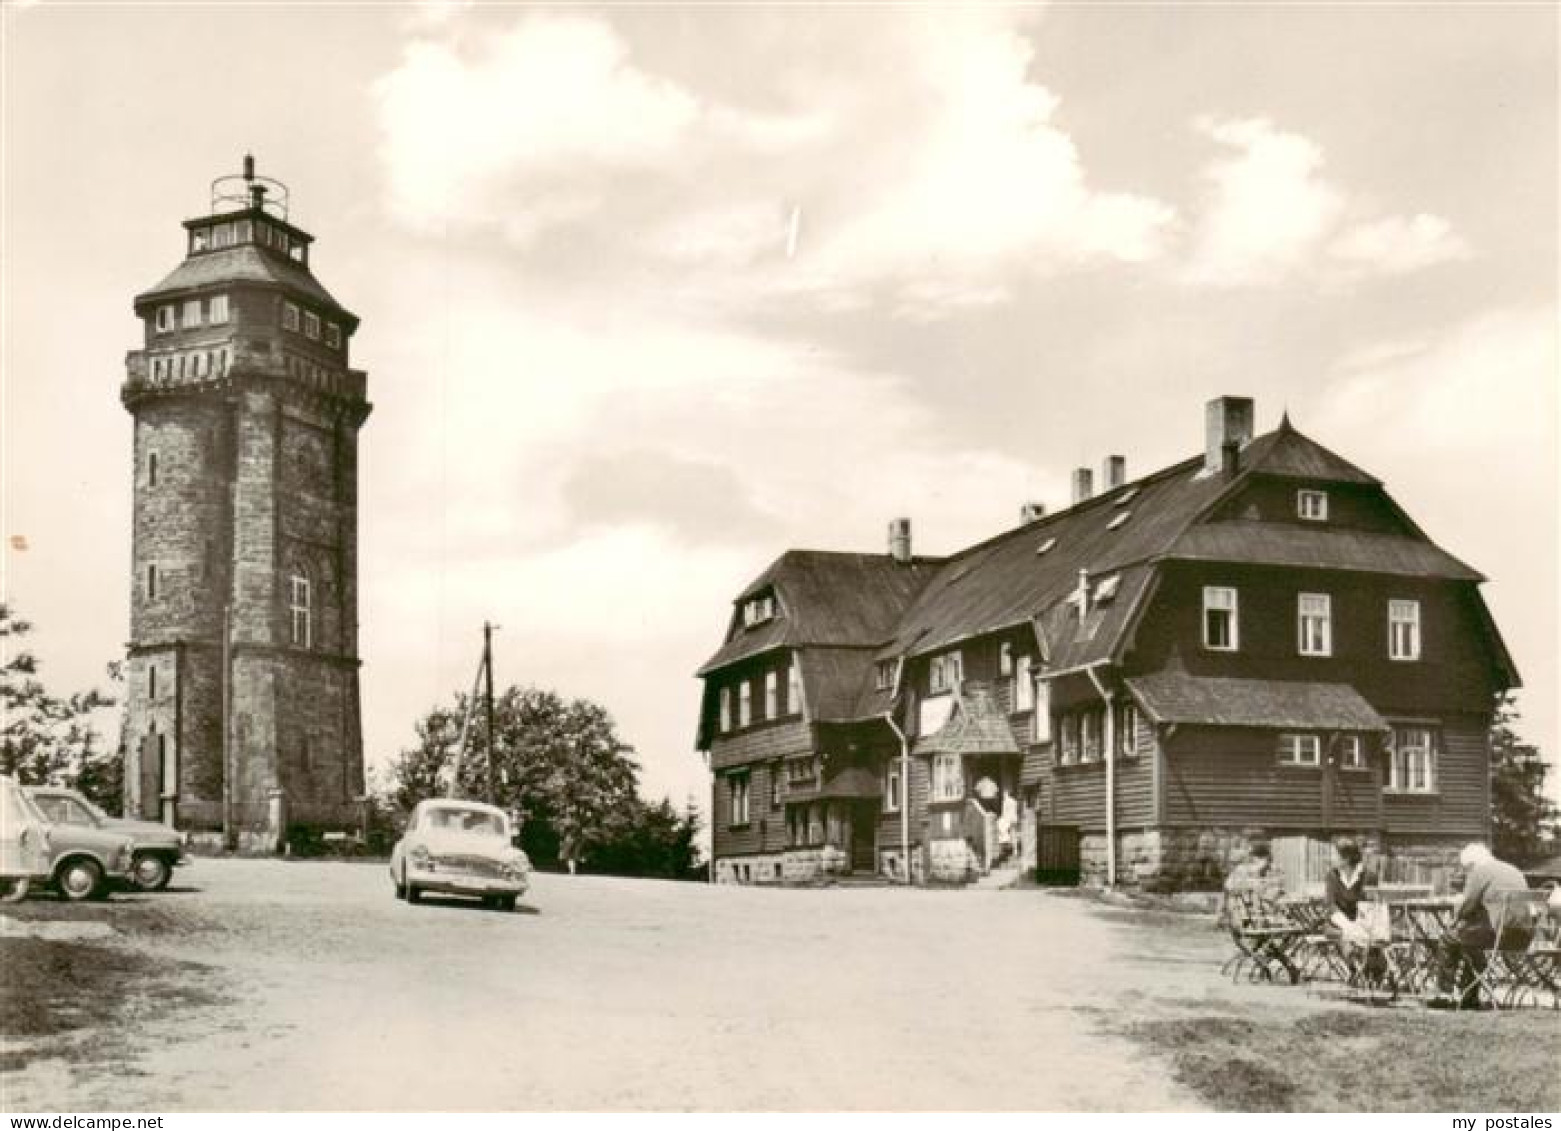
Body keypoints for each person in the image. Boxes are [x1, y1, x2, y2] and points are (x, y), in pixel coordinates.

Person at [1428, 842, 1531, 1009]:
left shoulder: (1480, 871)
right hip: (1524, 937)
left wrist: (1455, 917)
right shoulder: (1513, 869)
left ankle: (1443, 994)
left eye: (1467, 868)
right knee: (1470, 943)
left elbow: (1467, 904)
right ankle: (1469, 997)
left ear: (1472, 863)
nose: (1467, 872)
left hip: (1499, 934)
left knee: (1448, 938)